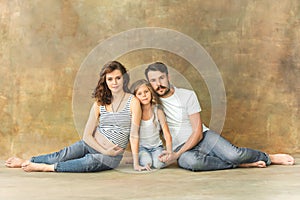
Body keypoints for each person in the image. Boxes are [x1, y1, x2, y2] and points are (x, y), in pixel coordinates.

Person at [144, 61, 295, 171]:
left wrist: (177, 154)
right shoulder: (152, 105)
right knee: (193, 163)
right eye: (153, 81)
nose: (159, 84)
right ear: (149, 84)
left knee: (234, 154)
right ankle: (240, 165)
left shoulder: (187, 95)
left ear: (168, 77)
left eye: (161, 78)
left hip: (204, 137)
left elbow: (197, 132)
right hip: (181, 148)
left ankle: (268, 157)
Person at [5, 61, 148, 172]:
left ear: (124, 78)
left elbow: (134, 135)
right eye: (110, 79)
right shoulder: (100, 102)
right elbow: (87, 135)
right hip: (91, 145)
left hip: (111, 156)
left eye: (118, 78)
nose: (115, 82)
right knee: (62, 155)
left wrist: (135, 163)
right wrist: (103, 149)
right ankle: (26, 161)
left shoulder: (133, 101)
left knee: (89, 162)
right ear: (105, 81)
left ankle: (46, 167)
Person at [130, 79, 172, 170]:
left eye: (146, 92)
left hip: (157, 147)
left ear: (151, 92)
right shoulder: (135, 113)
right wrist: (135, 161)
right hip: (142, 148)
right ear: (135, 97)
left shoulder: (158, 110)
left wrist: (169, 152)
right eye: (139, 94)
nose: (144, 95)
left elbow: (166, 133)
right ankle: (139, 159)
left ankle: (155, 158)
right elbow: (133, 135)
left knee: (158, 164)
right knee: (147, 162)